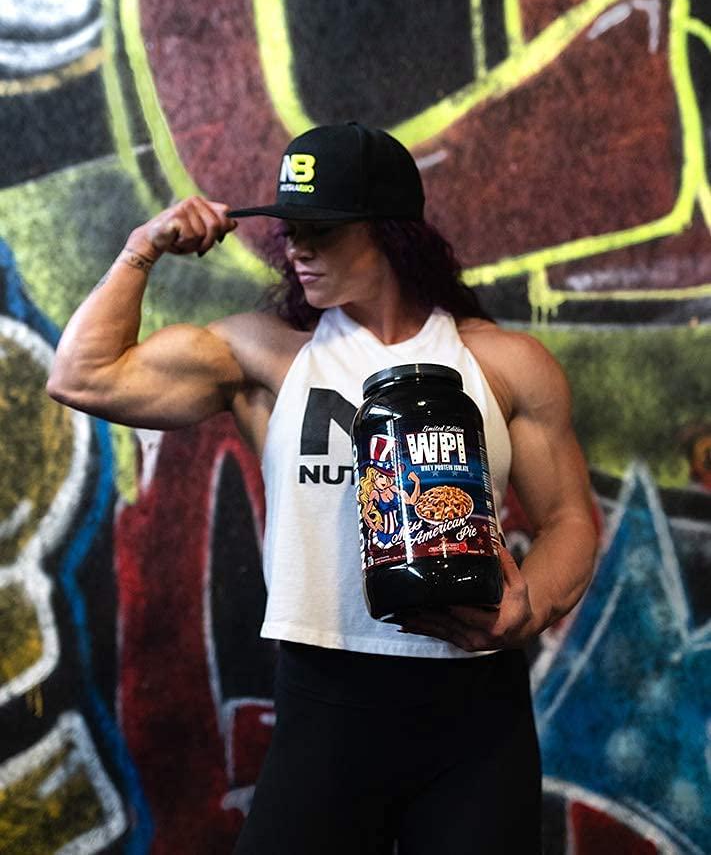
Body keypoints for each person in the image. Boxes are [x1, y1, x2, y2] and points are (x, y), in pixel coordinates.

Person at [47, 122, 599, 854]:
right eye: (291, 230)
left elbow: (569, 519)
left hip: (474, 711)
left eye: (323, 231)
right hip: (326, 704)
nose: (297, 249)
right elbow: (83, 375)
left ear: (392, 233)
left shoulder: (502, 363)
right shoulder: (269, 355)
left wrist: (530, 607)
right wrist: (139, 250)